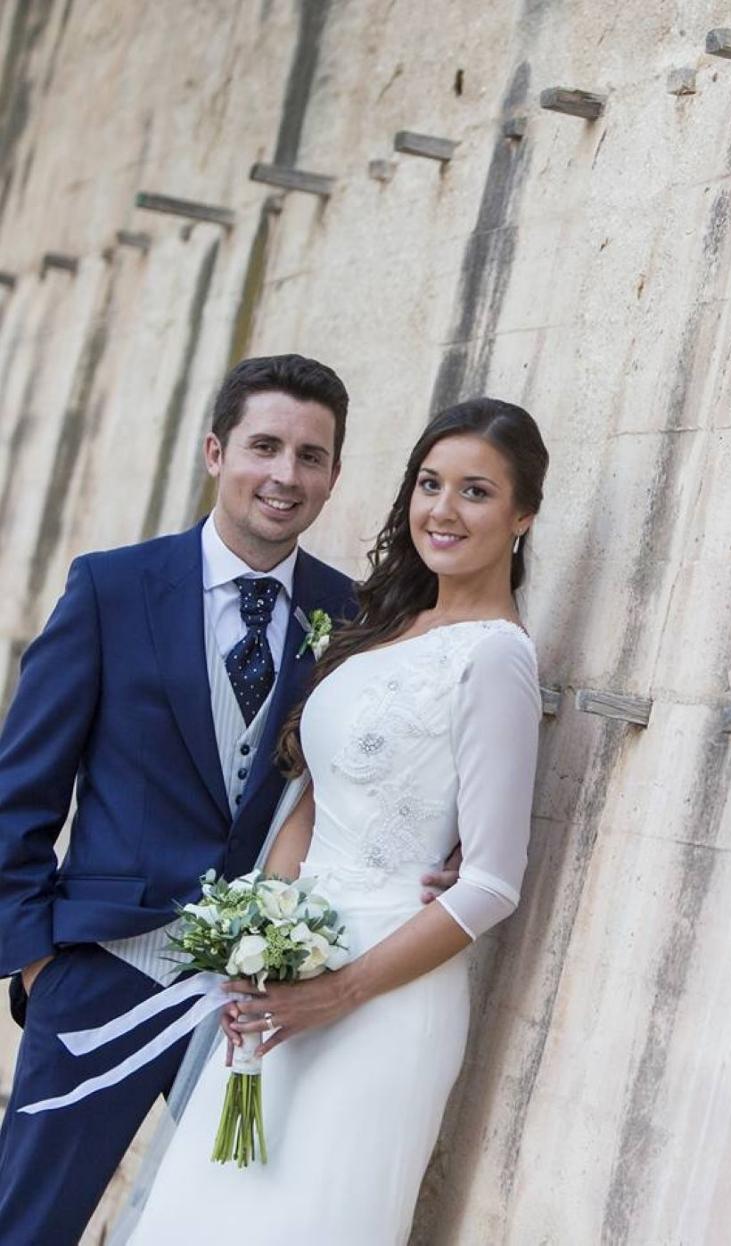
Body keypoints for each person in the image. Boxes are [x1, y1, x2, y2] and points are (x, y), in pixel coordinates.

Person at [0, 355, 448, 1245]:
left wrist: (441, 855)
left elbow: (368, 774)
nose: (286, 475)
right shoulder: (111, 588)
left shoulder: (350, 620)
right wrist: (39, 965)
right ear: (216, 450)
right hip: (100, 972)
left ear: (332, 478)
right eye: (265, 446)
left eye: (310, 457)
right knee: (28, 1225)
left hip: (258, 1004)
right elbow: (19, 793)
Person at [127, 397, 548, 1243]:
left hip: (382, 995)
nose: (442, 509)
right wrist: (256, 937)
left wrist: (335, 993)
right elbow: (312, 801)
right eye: (430, 484)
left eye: (476, 492)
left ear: (522, 516)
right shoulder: (385, 627)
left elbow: (494, 883)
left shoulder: (498, 656)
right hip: (281, 980)